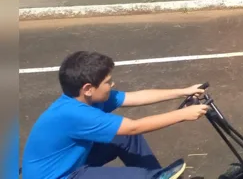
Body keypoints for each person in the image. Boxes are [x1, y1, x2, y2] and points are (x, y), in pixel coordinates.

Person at [22, 51, 208, 179]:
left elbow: (137, 97)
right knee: (137, 175)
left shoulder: (90, 99)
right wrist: (183, 114)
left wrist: (183, 91)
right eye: (107, 82)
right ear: (88, 89)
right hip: (61, 175)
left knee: (124, 139)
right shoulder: (74, 114)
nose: (112, 85)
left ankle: (156, 174)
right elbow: (134, 126)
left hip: (69, 163)